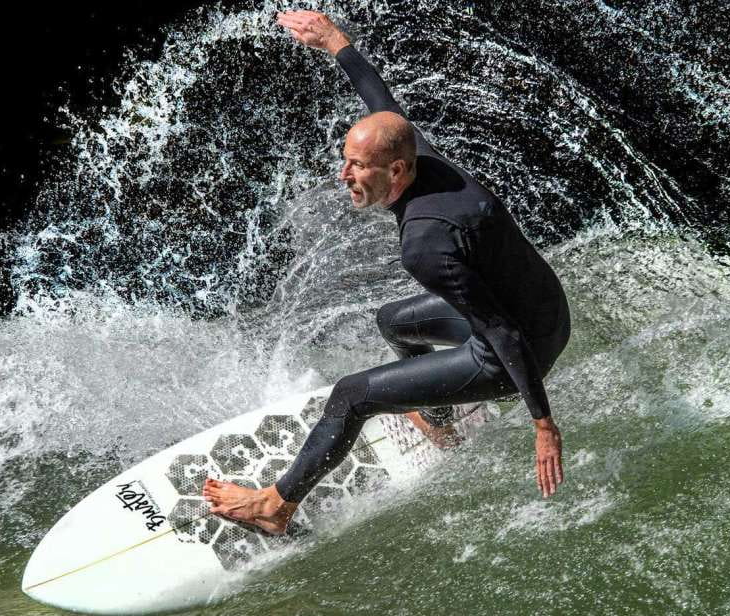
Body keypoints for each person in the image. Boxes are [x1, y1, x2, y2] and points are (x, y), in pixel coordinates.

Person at [203, 10, 571, 535]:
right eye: (345, 161)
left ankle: (275, 507)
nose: (344, 176)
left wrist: (543, 423)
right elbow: (381, 101)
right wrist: (335, 40)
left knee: (351, 396)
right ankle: (440, 419)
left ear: (396, 169)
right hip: (547, 309)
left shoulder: (425, 246)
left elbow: (501, 332)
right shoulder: (424, 158)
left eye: (358, 167)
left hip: (519, 349)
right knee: (394, 321)